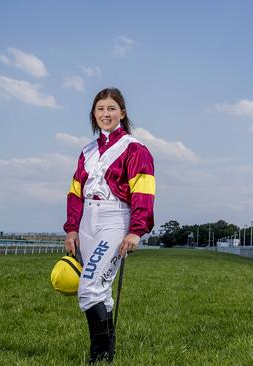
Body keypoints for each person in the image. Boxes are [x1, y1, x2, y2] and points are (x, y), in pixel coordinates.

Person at [63, 87, 155, 363]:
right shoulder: (87, 150)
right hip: (88, 220)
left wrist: (136, 230)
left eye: (112, 108)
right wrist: (71, 228)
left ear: (122, 113)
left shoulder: (134, 148)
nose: (106, 113)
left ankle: (98, 355)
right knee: (100, 289)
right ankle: (107, 356)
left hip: (116, 218)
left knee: (89, 285)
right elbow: (75, 191)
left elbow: (144, 191)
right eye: (101, 109)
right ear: (94, 113)